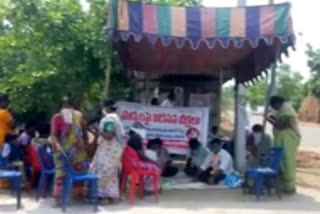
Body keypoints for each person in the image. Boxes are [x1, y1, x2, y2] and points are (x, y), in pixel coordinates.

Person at [50, 97, 90, 204]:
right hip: (62, 149)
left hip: (78, 149)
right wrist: (57, 145)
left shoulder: (78, 116)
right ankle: (57, 198)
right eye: (65, 105)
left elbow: (84, 131)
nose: (67, 108)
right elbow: (54, 135)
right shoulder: (57, 117)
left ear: (73, 107)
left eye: (69, 105)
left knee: (81, 170)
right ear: (62, 107)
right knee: (60, 173)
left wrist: (86, 145)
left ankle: (78, 195)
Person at [89, 100, 124, 204]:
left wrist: (97, 130)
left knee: (103, 171)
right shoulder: (115, 118)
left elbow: (109, 136)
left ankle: (102, 196)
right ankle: (111, 197)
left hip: (109, 149)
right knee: (110, 173)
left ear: (106, 107)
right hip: (110, 149)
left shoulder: (109, 120)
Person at [268, 96, 301, 194]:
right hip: (283, 139)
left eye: (274, 107)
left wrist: (268, 119)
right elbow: (279, 121)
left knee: (288, 163)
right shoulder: (283, 110)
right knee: (281, 162)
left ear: (277, 103)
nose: (275, 109)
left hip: (288, 139)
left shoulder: (286, 110)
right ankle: (283, 186)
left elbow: (280, 126)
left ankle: (290, 187)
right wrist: (272, 117)